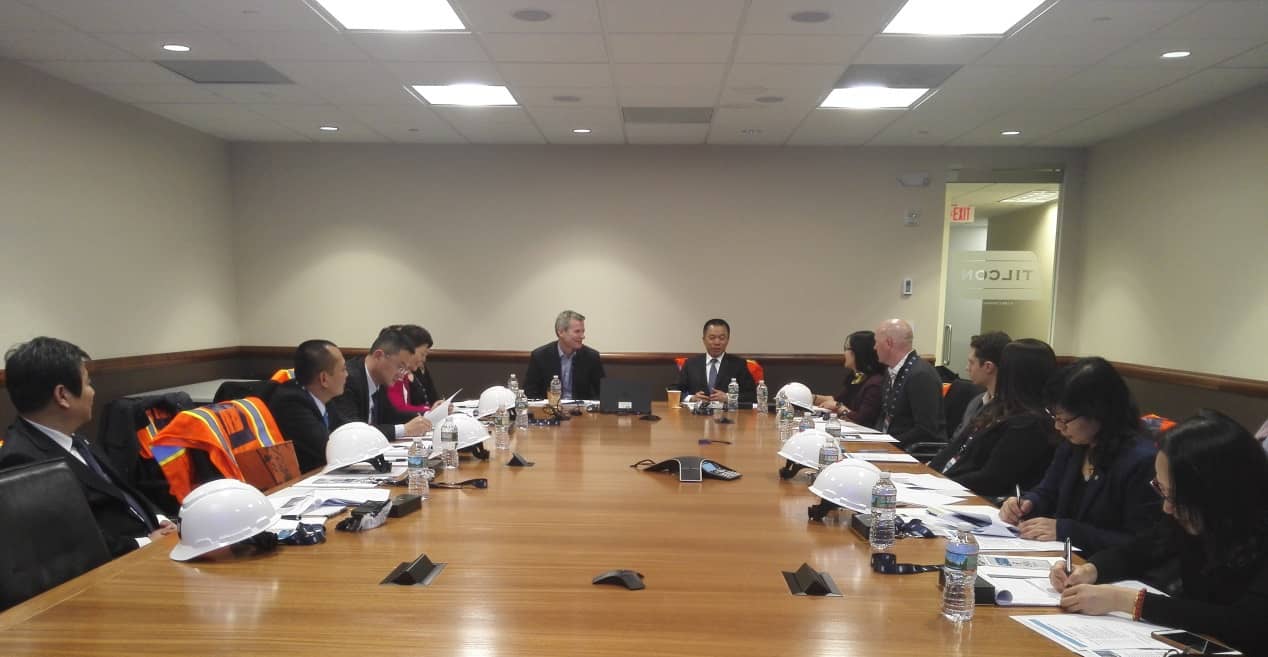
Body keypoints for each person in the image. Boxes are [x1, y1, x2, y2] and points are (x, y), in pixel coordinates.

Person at [1050, 410, 1268, 655]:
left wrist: (1126, 601)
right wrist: (1090, 570)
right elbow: (1138, 551)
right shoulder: (1192, 514)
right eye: (1161, 489)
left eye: (1175, 496)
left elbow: (1246, 624)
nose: (1167, 507)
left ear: (1216, 493)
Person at [0, 337, 174, 557]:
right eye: (88, 383)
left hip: (155, 541)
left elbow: (122, 491)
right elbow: (68, 541)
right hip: (120, 564)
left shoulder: (74, 438)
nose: (92, 392)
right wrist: (145, 543)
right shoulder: (21, 461)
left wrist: (159, 519)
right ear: (62, 395)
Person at [1000, 357, 1160, 556]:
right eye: (1055, 417)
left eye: (1065, 420)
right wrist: (1026, 503)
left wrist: (1067, 531)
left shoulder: (1141, 461)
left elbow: (1142, 543)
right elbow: (1047, 492)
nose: (1058, 427)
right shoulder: (1074, 445)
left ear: (1098, 412)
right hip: (1061, 558)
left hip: (1103, 567)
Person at [928, 339, 1059, 497]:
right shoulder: (996, 405)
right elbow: (957, 445)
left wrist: (940, 485)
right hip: (949, 485)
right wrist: (929, 475)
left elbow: (991, 479)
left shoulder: (1029, 424)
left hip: (977, 499)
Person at [327, 327, 430, 440]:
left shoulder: (380, 379)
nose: (401, 376)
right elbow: (353, 430)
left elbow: (391, 415)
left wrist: (425, 417)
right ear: (379, 356)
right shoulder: (348, 379)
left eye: (405, 370)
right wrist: (404, 430)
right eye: (400, 367)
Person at [267, 339, 348, 472]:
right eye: (343, 370)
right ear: (324, 379)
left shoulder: (323, 397)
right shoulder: (291, 404)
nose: (347, 375)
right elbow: (328, 448)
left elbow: (346, 428)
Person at [873, 318, 945, 448]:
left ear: (889, 343)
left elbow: (925, 430)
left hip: (912, 450)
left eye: (877, 342)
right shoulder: (891, 370)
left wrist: (887, 444)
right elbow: (884, 415)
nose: (875, 347)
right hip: (890, 445)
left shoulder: (921, 375)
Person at [524, 310, 605, 400]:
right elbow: (530, 392)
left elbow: (603, 393)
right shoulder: (540, 356)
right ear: (561, 332)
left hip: (580, 408)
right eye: (577, 331)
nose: (582, 336)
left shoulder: (591, 357)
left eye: (583, 331)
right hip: (550, 407)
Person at [673, 318, 756, 405]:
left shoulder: (738, 364)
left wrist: (729, 397)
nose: (717, 342)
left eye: (722, 338)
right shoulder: (691, 364)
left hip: (727, 413)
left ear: (728, 340)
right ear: (704, 340)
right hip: (697, 412)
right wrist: (691, 398)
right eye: (712, 338)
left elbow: (752, 395)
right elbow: (673, 390)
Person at [812, 330, 885, 427]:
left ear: (859, 352)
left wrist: (838, 407)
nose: (844, 353)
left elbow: (862, 420)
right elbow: (839, 399)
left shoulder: (875, 383)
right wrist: (811, 397)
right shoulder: (857, 377)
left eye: (847, 349)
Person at [951, 331, 1011, 438]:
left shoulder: (1008, 411)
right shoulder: (976, 402)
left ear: (988, 367)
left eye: (971, 362)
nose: (967, 368)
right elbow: (956, 440)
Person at [381, 324, 441, 421]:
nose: (424, 359)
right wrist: (428, 411)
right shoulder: (394, 372)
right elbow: (397, 409)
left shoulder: (405, 372)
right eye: (422, 354)